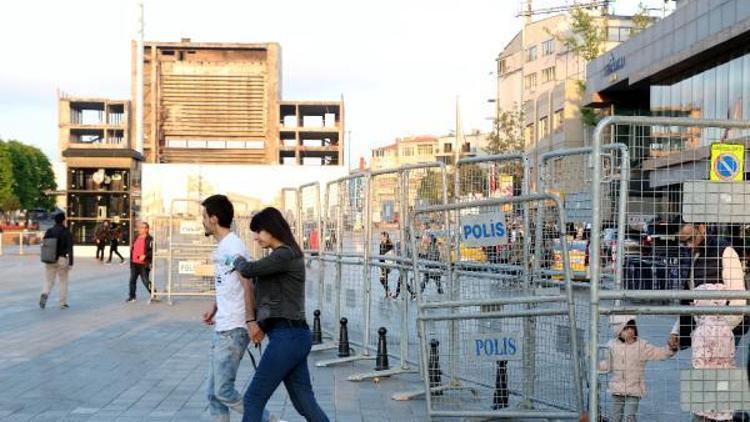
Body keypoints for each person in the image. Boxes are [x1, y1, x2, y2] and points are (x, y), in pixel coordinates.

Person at [232, 207, 329, 422]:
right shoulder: (282, 255)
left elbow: (248, 269)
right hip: (291, 336)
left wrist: (236, 260)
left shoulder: (285, 254)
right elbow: (270, 298)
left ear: (271, 229)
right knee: (304, 402)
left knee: (253, 399)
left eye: (258, 231)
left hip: (289, 336)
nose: (255, 237)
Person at [199, 195, 273, 422]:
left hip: (234, 329)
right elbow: (227, 283)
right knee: (213, 394)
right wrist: (216, 307)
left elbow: (247, 282)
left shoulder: (233, 246)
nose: (202, 221)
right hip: (224, 324)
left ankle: (269, 420)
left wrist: (250, 323)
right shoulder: (223, 247)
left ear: (214, 218)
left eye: (203, 216)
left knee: (222, 391)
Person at [669, 223, 746, 422]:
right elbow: (689, 299)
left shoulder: (725, 252)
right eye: (682, 241)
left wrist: (719, 329)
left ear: (701, 228)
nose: (686, 245)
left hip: (724, 331)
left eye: (689, 239)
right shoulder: (694, 254)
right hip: (706, 332)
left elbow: (739, 298)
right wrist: (678, 330)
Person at [598, 315, 676, 422]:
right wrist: (597, 366)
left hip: (634, 389)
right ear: (618, 332)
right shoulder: (612, 346)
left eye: (632, 327)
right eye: (625, 328)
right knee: (616, 416)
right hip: (617, 388)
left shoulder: (642, 346)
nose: (630, 330)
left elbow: (658, 353)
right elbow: (609, 364)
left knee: (630, 416)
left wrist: (670, 350)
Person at [39, 212, 74, 309]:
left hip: (49, 259)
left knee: (48, 281)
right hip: (62, 259)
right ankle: (62, 303)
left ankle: (44, 293)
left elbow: (45, 244)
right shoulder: (66, 232)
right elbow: (70, 248)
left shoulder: (49, 231)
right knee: (63, 281)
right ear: (63, 220)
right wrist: (71, 262)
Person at [127, 222, 155, 303]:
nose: (140, 229)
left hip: (143, 264)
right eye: (139, 227)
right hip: (134, 263)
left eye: (142, 227)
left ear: (147, 229)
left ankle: (154, 294)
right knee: (132, 280)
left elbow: (153, 250)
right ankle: (132, 297)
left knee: (145, 281)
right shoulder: (136, 237)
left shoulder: (150, 239)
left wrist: (145, 255)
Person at [378, 232, 394, 297]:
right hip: (381, 263)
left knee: (383, 279)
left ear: (385, 237)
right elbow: (380, 253)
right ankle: (388, 292)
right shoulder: (381, 244)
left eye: (381, 236)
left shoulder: (389, 245)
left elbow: (390, 254)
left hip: (387, 264)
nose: (380, 237)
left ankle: (388, 292)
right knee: (382, 280)